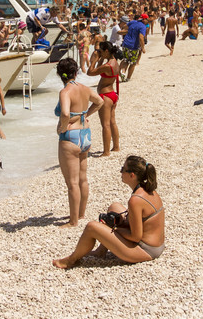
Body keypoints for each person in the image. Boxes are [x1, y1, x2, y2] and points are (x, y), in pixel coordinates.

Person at [52, 155, 164, 268]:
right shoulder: (148, 189)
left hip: (146, 249)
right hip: (154, 244)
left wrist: (113, 228)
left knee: (92, 227)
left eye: (123, 169)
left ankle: (71, 260)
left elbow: (136, 237)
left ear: (132, 175)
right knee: (114, 207)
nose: (120, 172)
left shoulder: (135, 200)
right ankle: (101, 251)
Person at [55, 58, 104, 227]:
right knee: (83, 179)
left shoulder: (65, 92)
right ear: (76, 72)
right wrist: (85, 114)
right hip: (85, 133)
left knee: (72, 183)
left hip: (70, 136)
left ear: (59, 75)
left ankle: (73, 221)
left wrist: (62, 127)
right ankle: (81, 214)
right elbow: (100, 102)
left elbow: (66, 113)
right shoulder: (84, 88)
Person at [87, 41, 121, 156]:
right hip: (112, 94)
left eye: (101, 51)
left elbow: (90, 72)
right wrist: (101, 58)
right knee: (112, 122)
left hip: (105, 96)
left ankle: (106, 152)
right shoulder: (114, 62)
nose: (100, 53)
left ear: (106, 51)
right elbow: (99, 69)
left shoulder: (107, 66)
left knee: (105, 124)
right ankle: (116, 147)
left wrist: (94, 59)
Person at [120, 14, 148, 80]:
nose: (147, 20)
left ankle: (123, 72)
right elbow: (141, 37)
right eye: (147, 19)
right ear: (144, 19)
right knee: (132, 63)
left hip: (125, 43)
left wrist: (130, 31)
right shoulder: (143, 27)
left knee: (126, 60)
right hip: (133, 46)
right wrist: (143, 47)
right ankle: (128, 78)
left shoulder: (132, 22)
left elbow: (124, 26)